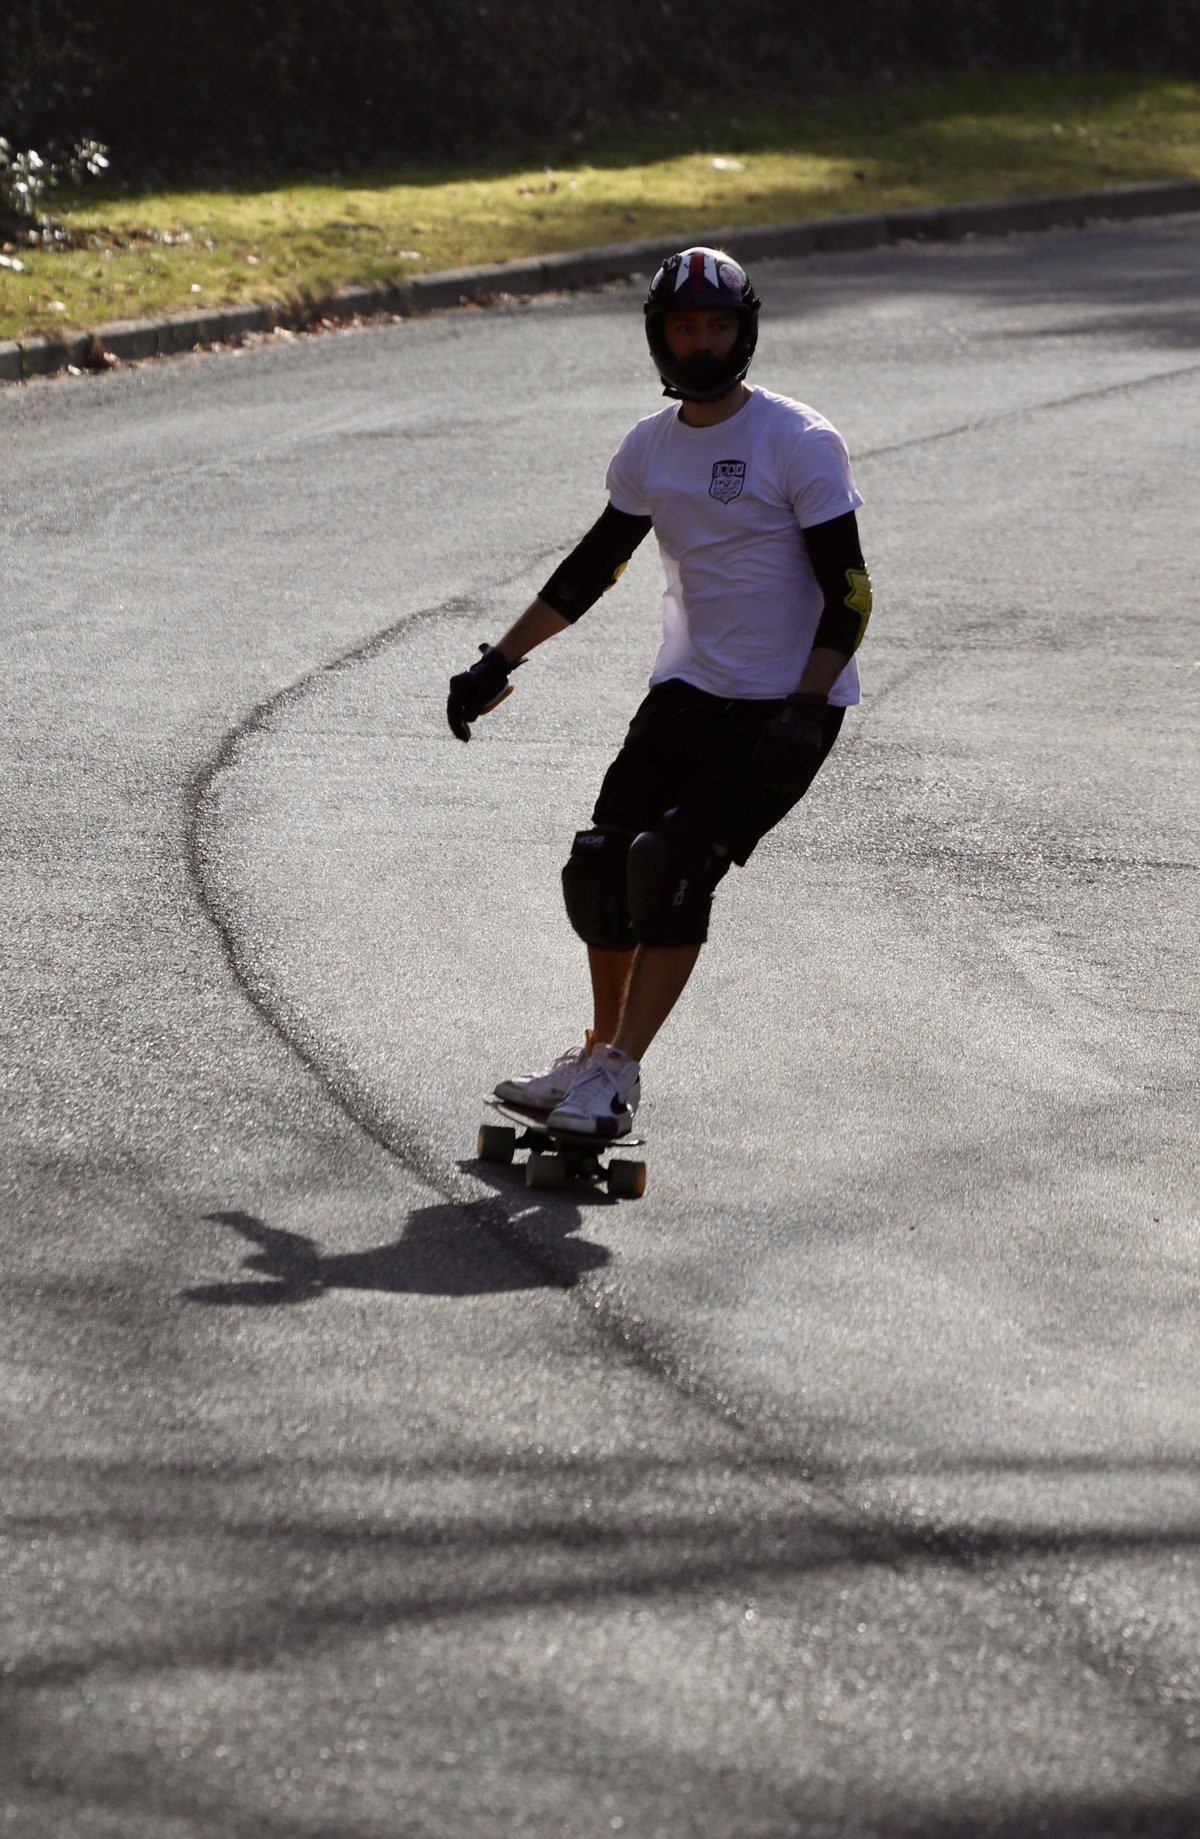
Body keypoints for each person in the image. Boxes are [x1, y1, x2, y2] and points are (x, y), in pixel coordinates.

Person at [447, 246, 872, 1139]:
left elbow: (851, 593)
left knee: (671, 865)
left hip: (786, 708)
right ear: (659, 336)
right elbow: (592, 567)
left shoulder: (798, 440)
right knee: (602, 865)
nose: (703, 343)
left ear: (744, 332)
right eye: (686, 327)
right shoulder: (650, 447)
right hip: (688, 689)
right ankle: (597, 1053)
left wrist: (806, 704)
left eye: (719, 325)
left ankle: (618, 1074)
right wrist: (500, 661)